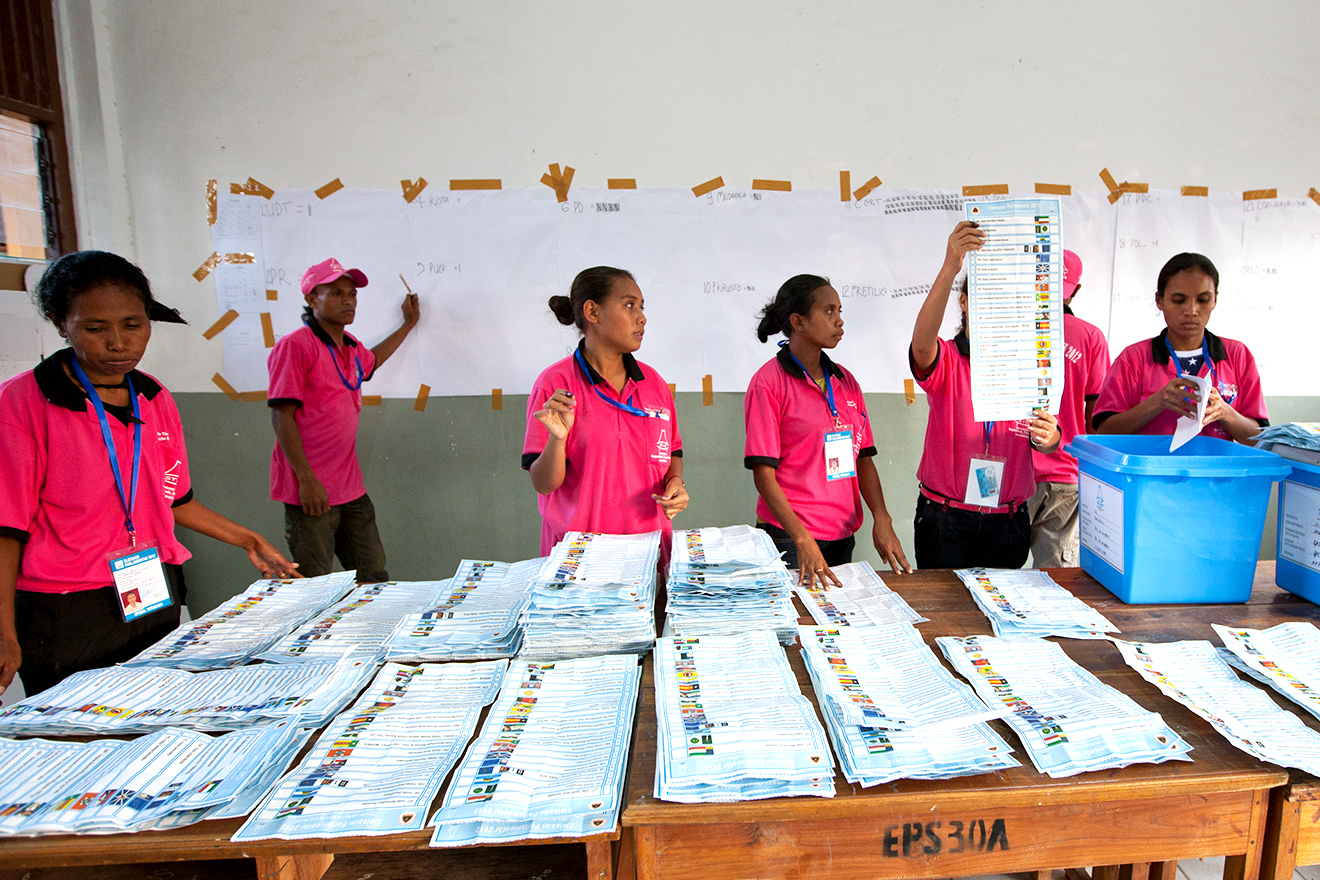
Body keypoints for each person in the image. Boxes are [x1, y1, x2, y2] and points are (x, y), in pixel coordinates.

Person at [0, 251, 298, 695]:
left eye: (133, 325)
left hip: (151, 590)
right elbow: (7, 529)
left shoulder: (153, 397)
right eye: (95, 328)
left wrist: (248, 539)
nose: (118, 343)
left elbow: (174, 499)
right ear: (61, 322)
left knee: (161, 713)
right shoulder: (22, 404)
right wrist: (4, 630)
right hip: (67, 608)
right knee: (84, 735)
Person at [910, 222, 1062, 569]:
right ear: (963, 303)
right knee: (949, 620)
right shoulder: (948, 359)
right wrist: (951, 266)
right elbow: (921, 346)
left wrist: (1049, 436)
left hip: (1006, 524)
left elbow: (1049, 440)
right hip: (946, 520)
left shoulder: (1030, 365)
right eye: (985, 298)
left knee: (998, 618)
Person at [744, 274, 910, 586]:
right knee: (799, 628)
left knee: (833, 627)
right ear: (798, 322)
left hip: (841, 536)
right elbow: (763, 475)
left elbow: (863, 458)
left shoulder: (846, 382)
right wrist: (802, 539)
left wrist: (882, 517)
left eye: (840, 311)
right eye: (829, 311)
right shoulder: (769, 383)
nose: (840, 322)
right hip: (792, 540)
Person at [267, 258, 420, 582]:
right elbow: (282, 416)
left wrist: (407, 324)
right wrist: (306, 480)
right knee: (314, 580)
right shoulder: (296, 346)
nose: (348, 300)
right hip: (311, 490)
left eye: (351, 294)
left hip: (349, 486)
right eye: (336, 293)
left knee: (373, 573)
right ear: (312, 299)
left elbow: (372, 361)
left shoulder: (350, 347)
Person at [522, 266, 687, 554]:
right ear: (592, 312)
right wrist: (557, 439)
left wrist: (676, 483)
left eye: (641, 307)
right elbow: (543, 484)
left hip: (648, 552)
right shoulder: (556, 386)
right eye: (628, 305)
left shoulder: (654, 385)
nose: (641, 317)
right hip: (579, 557)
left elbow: (671, 452)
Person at [1094, 252, 1267, 442]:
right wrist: (1158, 401)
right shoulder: (1133, 358)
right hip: (1152, 471)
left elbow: (1260, 439)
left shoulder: (1237, 355)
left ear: (1215, 300)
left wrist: (1225, 412)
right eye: (1179, 300)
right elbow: (1103, 432)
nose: (1191, 310)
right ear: (1159, 300)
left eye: (1203, 300)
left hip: (1218, 472)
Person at [1027, 250, 1111, 568]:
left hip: (1012, 475)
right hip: (1066, 473)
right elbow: (1096, 416)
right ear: (1075, 289)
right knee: (1057, 580)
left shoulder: (1008, 332)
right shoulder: (1091, 337)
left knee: (997, 574)